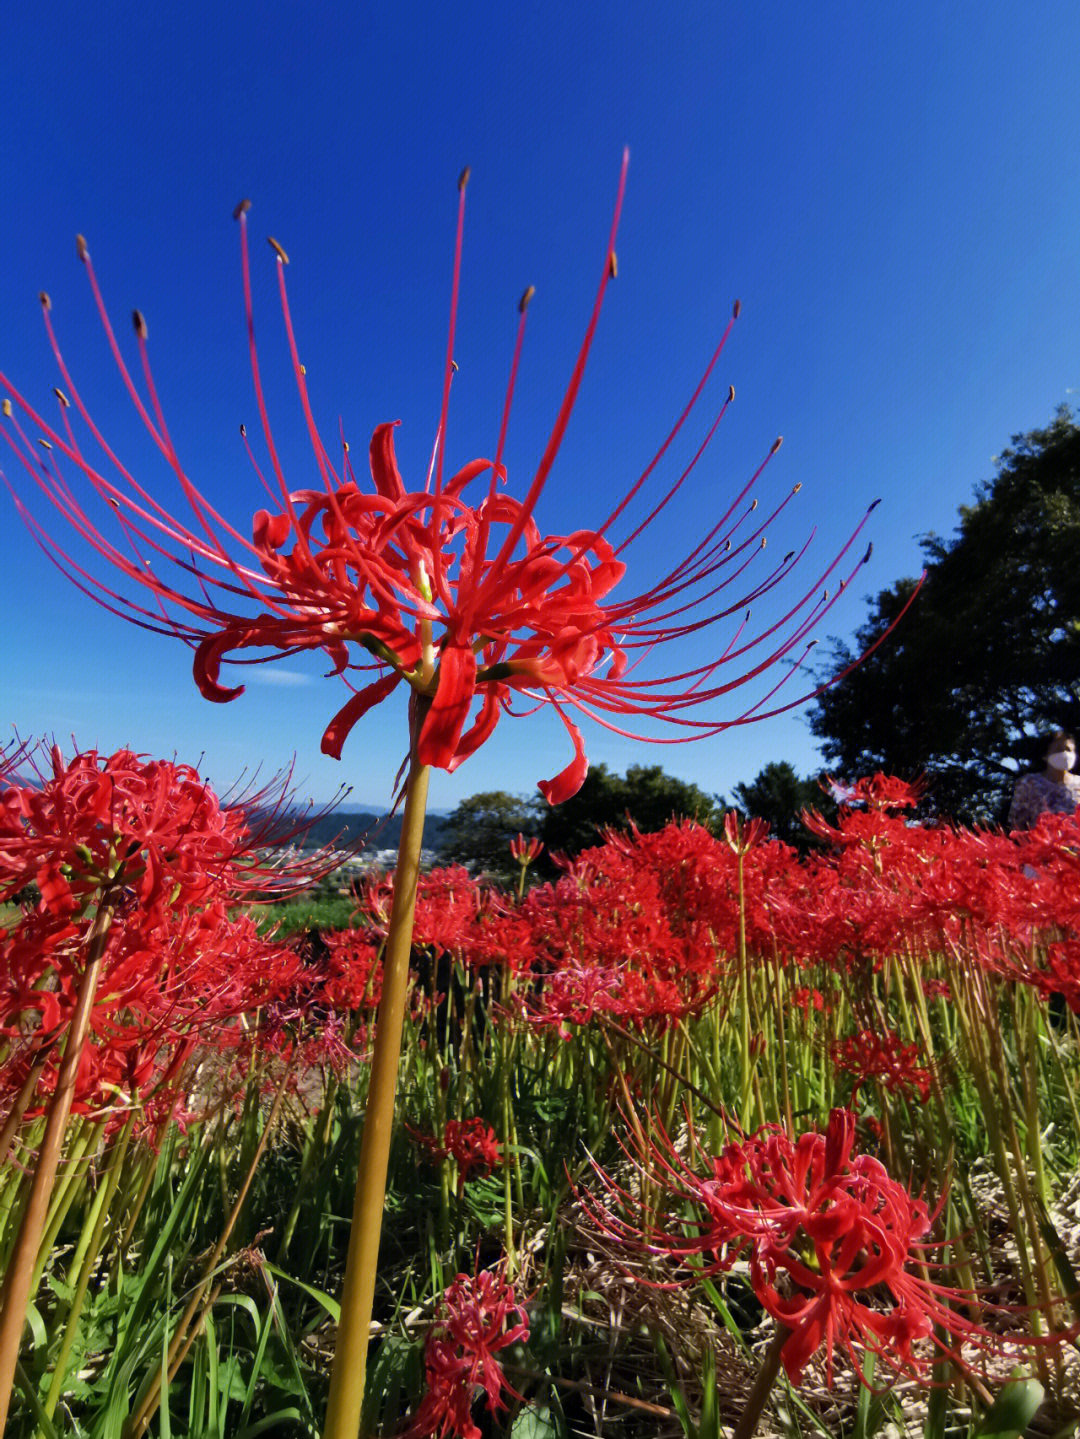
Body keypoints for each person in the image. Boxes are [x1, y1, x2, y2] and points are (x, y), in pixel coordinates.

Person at [1008, 730, 1080, 829]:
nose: (1065, 754)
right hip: (1042, 842)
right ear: (1044, 755)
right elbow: (1017, 823)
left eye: (1069, 750)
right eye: (1058, 750)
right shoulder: (1029, 783)